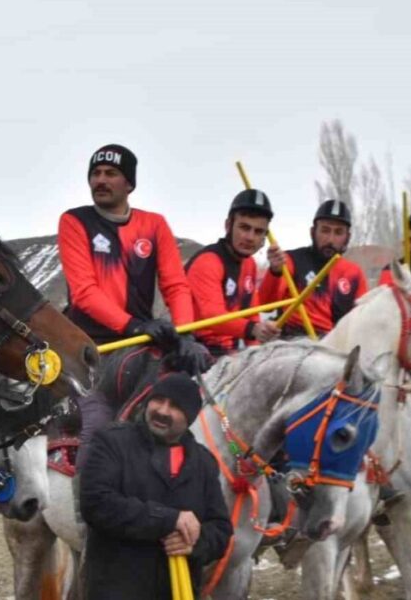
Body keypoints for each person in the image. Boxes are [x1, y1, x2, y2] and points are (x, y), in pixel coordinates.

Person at [57, 143, 211, 468]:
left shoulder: (154, 225)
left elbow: (175, 286)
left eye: (111, 173)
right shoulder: (74, 222)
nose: (101, 180)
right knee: (98, 428)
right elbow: (84, 292)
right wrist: (135, 325)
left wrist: (184, 337)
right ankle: (89, 510)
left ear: (129, 184)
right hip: (90, 350)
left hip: (140, 348)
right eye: (95, 173)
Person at [80, 373, 232, 600]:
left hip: (178, 591)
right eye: (158, 400)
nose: (162, 410)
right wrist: (168, 519)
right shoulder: (112, 442)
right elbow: (97, 503)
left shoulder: (204, 462)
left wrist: (196, 543)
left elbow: (221, 529)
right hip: (116, 589)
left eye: (175, 406)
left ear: (190, 417)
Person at [186, 189, 280, 357]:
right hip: (196, 351)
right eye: (244, 227)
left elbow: (253, 316)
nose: (250, 237)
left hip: (231, 354)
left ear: (264, 238)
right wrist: (254, 330)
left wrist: (257, 352)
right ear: (228, 225)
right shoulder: (208, 261)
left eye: (258, 232)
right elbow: (212, 316)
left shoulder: (250, 264)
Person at [258, 199, 367, 338]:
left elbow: (361, 321)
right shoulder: (290, 259)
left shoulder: (354, 273)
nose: (330, 239)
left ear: (347, 237)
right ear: (313, 232)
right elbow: (266, 304)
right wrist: (275, 271)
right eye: (325, 230)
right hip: (293, 343)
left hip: (336, 347)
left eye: (338, 232)